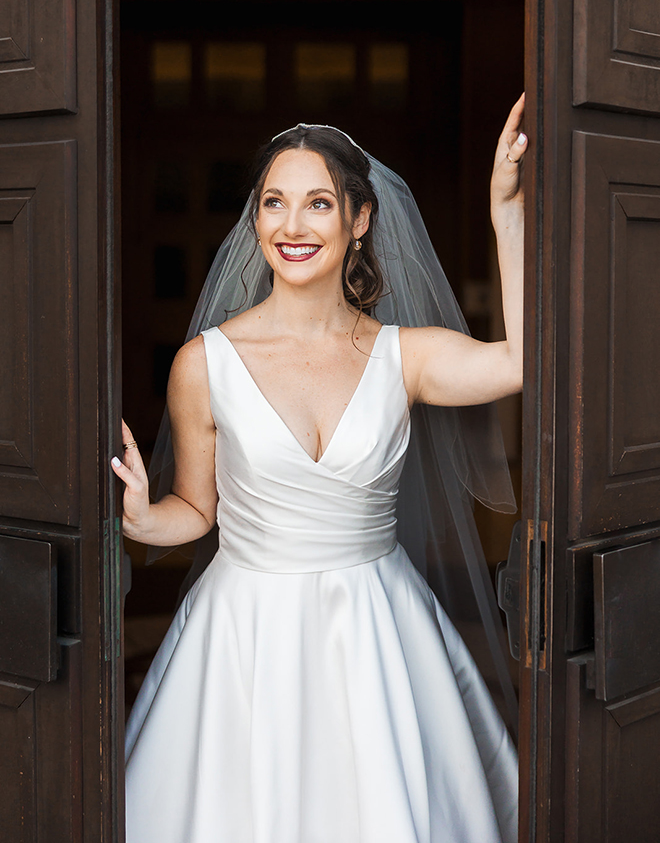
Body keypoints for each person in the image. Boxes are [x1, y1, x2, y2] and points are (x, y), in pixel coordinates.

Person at [111, 96, 526, 843]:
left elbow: (521, 363)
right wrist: (145, 518)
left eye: (317, 204)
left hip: (376, 625)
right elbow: (196, 511)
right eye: (274, 203)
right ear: (256, 218)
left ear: (359, 219)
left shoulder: (408, 355)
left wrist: (507, 215)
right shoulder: (204, 364)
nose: (291, 227)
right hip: (245, 634)